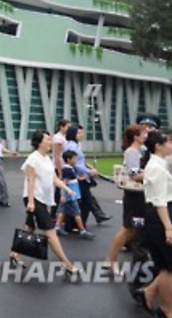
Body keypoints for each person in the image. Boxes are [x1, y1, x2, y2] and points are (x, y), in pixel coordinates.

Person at [10, 129, 79, 276]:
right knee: (51, 233)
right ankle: (67, 265)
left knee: (30, 228)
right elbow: (30, 181)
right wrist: (30, 202)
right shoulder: (32, 159)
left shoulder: (46, 158)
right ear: (39, 142)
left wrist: (67, 188)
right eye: (47, 139)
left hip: (42, 198)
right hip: (34, 198)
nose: (50, 141)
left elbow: (54, 179)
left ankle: (15, 254)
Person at [134, 130, 171, 317]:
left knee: (168, 266)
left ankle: (149, 292)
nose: (171, 145)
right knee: (167, 267)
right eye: (169, 142)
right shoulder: (157, 167)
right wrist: (169, 228)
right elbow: (160, 202)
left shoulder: (162, 163)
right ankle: (166, 310)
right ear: (158, 146)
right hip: (159, 216)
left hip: (161, 214)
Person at [105, 125, 145, 275]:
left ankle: (111, 259)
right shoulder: (132, 152)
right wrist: (154, 172)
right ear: (135, 136)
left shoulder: (138, 151)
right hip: (134, 195)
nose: (146, 135)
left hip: (138, 194)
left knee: (133, 229)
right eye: (143, 133)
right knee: (127, 229)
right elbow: (134, 175)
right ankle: (111, 260)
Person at [66, 125, 110, 226]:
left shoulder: (76, 145)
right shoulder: (72, 146)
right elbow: (76, 163)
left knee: (85, 201)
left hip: (82, 176)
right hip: (79, 177)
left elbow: (80, 161)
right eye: (79, 133)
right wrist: (89, 172)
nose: (82, 135)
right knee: (82, 202)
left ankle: (79, 224)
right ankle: (75, 225)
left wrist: (88, 167)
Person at [55, 150, 95, 239]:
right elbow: (64, 182)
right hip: (70, 195)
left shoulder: (70, 169)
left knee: (62, 211)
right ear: (68, 159)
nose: (76, 160)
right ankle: (82, 230)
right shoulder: (67, 170)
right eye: (74, 159)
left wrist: (80, 178)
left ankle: (57, 227)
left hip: (69, 194)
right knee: (77, 213)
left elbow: (72, 178)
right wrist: (63, 195)